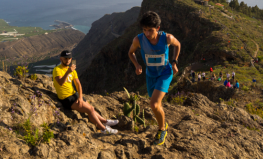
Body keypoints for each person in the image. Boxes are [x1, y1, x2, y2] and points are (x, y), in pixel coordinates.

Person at [128, 11, 181, 145]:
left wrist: (174, 61)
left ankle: (162, 129)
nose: (147, 34)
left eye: (150, 30)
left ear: (157, 28)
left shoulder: (167, 38)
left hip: (165, 73)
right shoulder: (138, 40)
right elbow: (130, 52)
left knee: (153, 104)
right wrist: (137, 64)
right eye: (144, 30)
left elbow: (178, 45)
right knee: (156, 105)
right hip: (150, 75)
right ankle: (164, 124)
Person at [53, 50, 119, 134]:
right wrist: (68, 72)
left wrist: (80, 97)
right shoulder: (57, 69)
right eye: (65, 58)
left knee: (92, 108)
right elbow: (60, 83)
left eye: (69, 58)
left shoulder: (72, 70)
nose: (67, 60)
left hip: (74, 94)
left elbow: (78, 84)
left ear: (71, 59)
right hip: (66, 98)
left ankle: (104, 121)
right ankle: (103, 129)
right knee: (90, 109)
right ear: (61, 59)